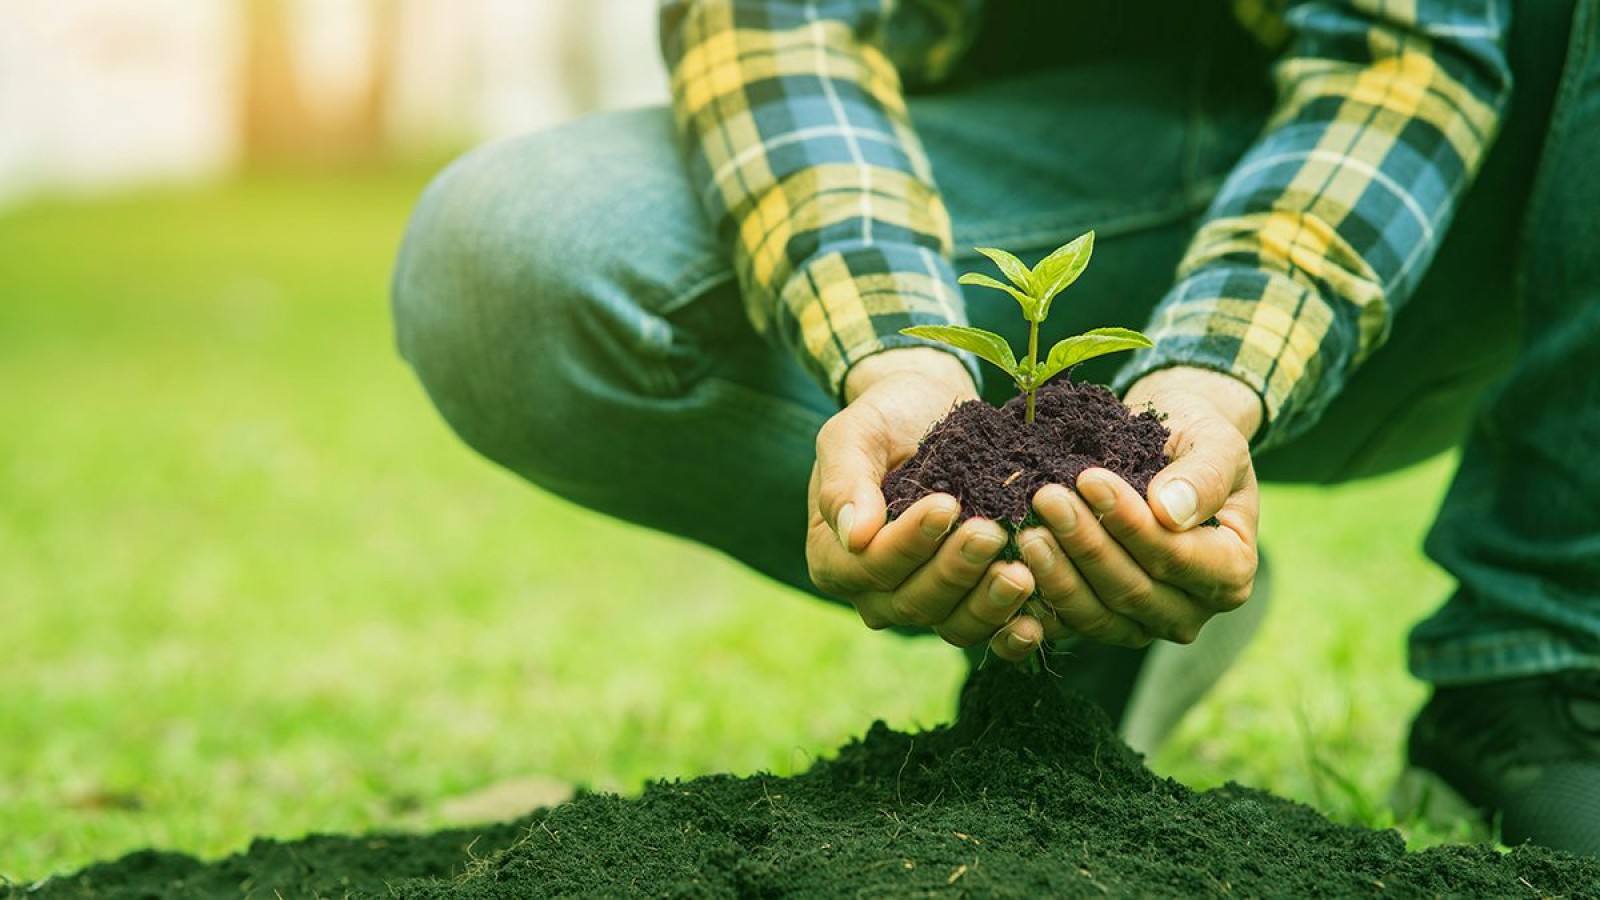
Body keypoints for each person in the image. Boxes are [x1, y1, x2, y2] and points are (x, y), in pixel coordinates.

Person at [391, 0, 1599, 856]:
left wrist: (1218, 378)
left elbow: (1401, 51)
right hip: (1012, 158)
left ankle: (1539, 660)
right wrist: (899, 357)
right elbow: (774, 27)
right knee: (507, 252)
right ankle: (1085, 597)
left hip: (1468, 194)